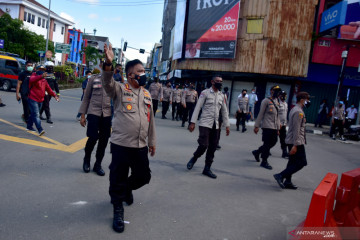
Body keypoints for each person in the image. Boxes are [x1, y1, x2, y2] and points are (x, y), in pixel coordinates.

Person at [103, 44, 156, 234]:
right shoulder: (119, 89)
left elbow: (150, 121)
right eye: (140, 71)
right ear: (130, 75)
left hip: (140, 145)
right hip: (121, 144)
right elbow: (107, 84)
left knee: (144, 176)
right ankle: (118, 209)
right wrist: (108, 64)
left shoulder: (147, 94)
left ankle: (122, 190)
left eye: (144, 70)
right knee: (118, 174)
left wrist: (152, 142)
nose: (143, 73)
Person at [186, 75, 230, 179]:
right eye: (217, 81)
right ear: (212, 82)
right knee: (203, 145)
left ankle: (207, 168)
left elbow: (224, 111)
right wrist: (192, 122)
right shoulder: (205, 93)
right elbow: (198, 107)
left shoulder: (222, 95)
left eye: (221, 81)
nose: (220, 82)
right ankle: (194, 157)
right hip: (205, 123)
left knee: (213, 147)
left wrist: (227, 125)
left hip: (216, 124)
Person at [273, 92, 310, 190]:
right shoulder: (299, 112)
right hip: (296, 141)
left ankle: (288, 181)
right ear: (302, 100)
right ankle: (280, 175)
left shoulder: (295, 109)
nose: (308, 101)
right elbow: (296, 129)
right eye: (307, 99)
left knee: (292, 162)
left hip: (292, 140)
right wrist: (296, 145)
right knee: (302, 162)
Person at [78, 70, 111, 177]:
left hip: (107, 113)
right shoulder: (93, 79)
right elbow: (86, 97)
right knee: (92, 137)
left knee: (104, 140)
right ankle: (87, 159)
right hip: (93, 111)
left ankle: (98, 164)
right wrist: (83, 115)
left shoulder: (113, 81)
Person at [252, 86, 282, 170]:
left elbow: (277, 115)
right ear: (271, 91)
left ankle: (257, 152)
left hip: (274, 127)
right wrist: (256, 126)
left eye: (278, 91)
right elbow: (260, 113)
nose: (277, 93)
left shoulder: (277, 101)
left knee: (274, 142)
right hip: (267, 126)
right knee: (267, 144)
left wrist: (278, 128)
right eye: (276, 91)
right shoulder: (266, 101)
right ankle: (264, 161)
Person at [27, 66, 59, 136]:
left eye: (43, 70)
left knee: (34, 114)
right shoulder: (33, 76)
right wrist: (41, 76)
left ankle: (29, 126)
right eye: (40, 69)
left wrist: (55, 96)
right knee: (36, 114)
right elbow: (32, 80)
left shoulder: (44, 80)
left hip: (40, 99)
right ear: (37, 70)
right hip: (33, 98)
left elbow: (49, 89)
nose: (42, 71)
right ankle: (40, 129)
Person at [278, 91, 289, 158]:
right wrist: (278, 123)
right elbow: (276, 114)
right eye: (282, 95)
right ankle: (266, 150)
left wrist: (285, 123)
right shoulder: (277, 103)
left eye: (285, 95)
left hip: (283, 124)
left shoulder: (286, 104)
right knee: (272, 139)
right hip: (277, 124)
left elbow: (285, 114)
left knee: (284, 139)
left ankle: (284, 152)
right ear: (279, 96)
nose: (284, 97)